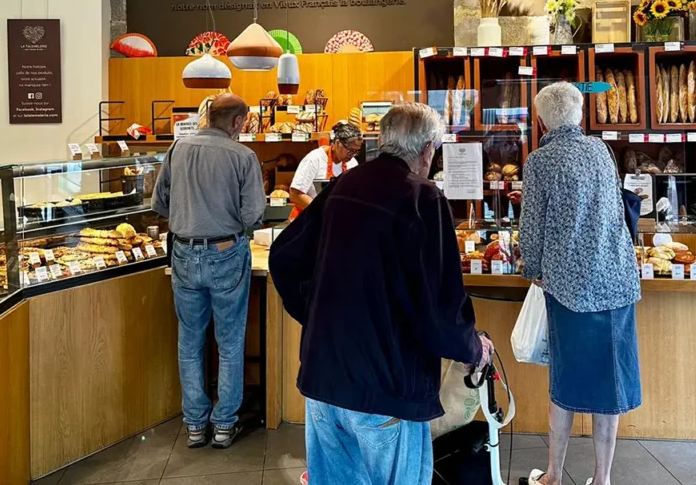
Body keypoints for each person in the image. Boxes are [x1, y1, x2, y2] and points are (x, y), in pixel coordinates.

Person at [269, 101, 493, 485]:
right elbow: (441, 303)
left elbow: (284, 257)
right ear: (426, 150)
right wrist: (472, 348)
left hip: (324, 375)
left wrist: (319, 315)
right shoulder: (424, 198)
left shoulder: (343, 185)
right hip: (386, 384)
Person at [518, 82, 642, 485]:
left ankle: (554, 475)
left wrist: (531, 269)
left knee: (566, 379)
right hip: (616, 281)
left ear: (541, 121)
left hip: (569, 286)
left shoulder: (540, 161)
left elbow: (531, 226)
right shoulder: (601, 151)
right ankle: (602, 479)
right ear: (581, 116)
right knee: (610, 383)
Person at [152, 93, 266, 449]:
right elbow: (253, 215)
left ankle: (195, 424)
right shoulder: (243, 156)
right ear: (236, 122)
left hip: (183, 253)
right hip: (226, 252)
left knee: (190, 341)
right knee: (230, 342)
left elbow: (159, 202)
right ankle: (224, 424)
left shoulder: (178, 148)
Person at [288, 121, 363, 218]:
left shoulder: (352, 163)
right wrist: (322, 209)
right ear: (337, 143)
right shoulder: (314, 160)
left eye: (356, 151)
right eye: (350, 150)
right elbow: (295, 195)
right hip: (310, 219)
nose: (353, 155)